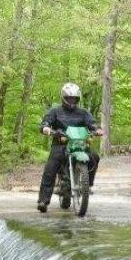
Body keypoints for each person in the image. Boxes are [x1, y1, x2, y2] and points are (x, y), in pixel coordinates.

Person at [37, 83, 103, 213]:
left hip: (80, 145)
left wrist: (97, 129)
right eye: (69, 98)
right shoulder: (55, 111)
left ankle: (87, 185)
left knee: (94, 157)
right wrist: (46, 128)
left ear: (78, 99)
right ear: (63, 97)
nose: (72, 100)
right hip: (60, 144)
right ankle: (43, 200)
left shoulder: (83, 113)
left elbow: (92, 124)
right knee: (50, 168)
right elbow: (46, 122)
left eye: (74, 98)